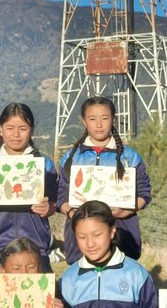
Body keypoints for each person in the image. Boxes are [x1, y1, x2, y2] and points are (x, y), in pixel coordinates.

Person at [56, 96, 151, 263]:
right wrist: (73, 213)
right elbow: (61, 196)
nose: (99, 124)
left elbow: (144, 193)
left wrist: (126, 211)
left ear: (113, 120)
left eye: (105, 118)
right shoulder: (70, 158)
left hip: (123, 234)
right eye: (92, 119)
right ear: (84, 121)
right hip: (81, 240)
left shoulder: (130, 157)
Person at [0, 103, 58, 271]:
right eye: (9, 128)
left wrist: (48, 208)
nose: (16, 134)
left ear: (32, 130)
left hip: (35, 247)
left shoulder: (44, 164)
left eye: (23, 128)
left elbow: (53, 203)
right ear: (0, 129)